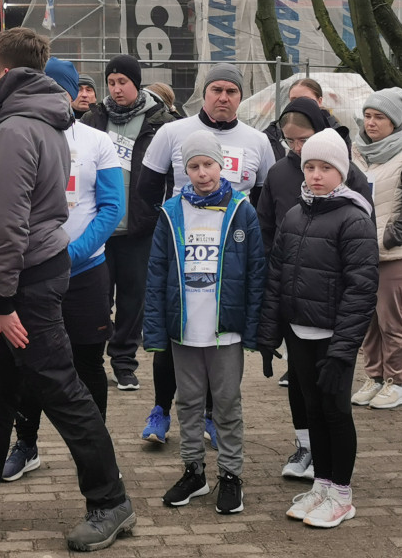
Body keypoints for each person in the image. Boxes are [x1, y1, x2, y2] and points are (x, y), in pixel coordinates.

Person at [0, 27, 136, 553]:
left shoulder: (17, 128)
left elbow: (6, 225)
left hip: (24, 283)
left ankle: (110, 501)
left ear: (3, 71)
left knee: (59, 387)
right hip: (28, 276)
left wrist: (0, 301)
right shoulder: (39, 121)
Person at [1, 57, 125, 482]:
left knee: (89, 363)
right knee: (28, 364)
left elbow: (112, 208)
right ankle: (26, 444)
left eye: (59, 88)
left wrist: (70, 255)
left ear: (73, 95)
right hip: (31, 273)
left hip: (85, 271)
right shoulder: (16, 134)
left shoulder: (97, 142)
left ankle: (97, 452)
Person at [136, 63, 274, 444]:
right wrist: (166, 230)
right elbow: (147, 188)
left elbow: (265, 200)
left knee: (216, 334)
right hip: (183, 253)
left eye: (232, 91)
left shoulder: (257, 141)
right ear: (204, 92)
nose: (223, 98)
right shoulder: (172, 132)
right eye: (216, 90)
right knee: (175, 330)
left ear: (241, 97)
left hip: (230, 255)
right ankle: (161, 409)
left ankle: (213, 416)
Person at [258, 128, 378, 529]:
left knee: (336, 412)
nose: (316, 174)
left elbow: (361, 291)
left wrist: (343, 350)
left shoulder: (354, 218)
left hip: (333, 338)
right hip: (299, 334)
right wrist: (269, 334)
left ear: (341, 171)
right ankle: (322, 485)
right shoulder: (294, 214)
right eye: (310, 166)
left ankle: (341, 494)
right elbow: (277, 277)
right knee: (312, 410)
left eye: (326, 167)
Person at [145, 130, 265, 515]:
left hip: (224, 331)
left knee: (227, 404)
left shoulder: (242, 210)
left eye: (208, 165)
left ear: (221, 165)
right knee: (189, 404)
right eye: (193, 166)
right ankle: (194, 471)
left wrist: (252, 327)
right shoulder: (171, 211)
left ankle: (231, 475)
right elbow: (156, 271)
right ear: (184, 170)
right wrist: (155, 328)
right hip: (184, 329)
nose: (201, 173)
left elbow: (256, 272)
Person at [80, 54, 176, 392]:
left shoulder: (160, 121)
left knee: (133, 298)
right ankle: (91, 358)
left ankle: (124, 361)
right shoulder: (93, 119)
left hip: (140, 226)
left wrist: (157, 212)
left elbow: (171, 174)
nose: (116, 89)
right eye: (111, 82)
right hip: (99, 227)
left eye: (123, 82)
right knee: (97, 297)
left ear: (137, 83)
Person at [350, 88, 402, 410]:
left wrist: (388, 239)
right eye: (368, 116)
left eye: (379, 117)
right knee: (367, 320)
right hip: (359, 251)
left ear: (394, 121)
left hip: (394, 254)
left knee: (391, 321)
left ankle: (397, 382)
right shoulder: (356, 150)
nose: (371, 122)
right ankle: (375, 377)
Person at [264, 78, 328, 161]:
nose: (299, 103)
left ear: (319, 101)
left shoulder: (337, 132)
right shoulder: (273, 133)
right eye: (293, 99)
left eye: (305, 99)